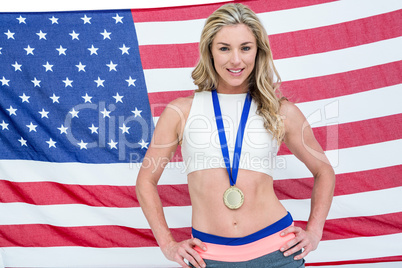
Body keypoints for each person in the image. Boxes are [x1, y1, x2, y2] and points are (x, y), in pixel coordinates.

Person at [136, 3, 335, 268]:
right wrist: (168, 244)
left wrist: (314, 232)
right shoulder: (180, 111)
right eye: (224, 48)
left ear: (258, 50)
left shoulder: (280, 111)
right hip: (209, 259)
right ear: (210, 51)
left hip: (278, 254)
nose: (236, 60)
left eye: (245, 47)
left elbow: (324, 170)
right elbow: (145, 181)